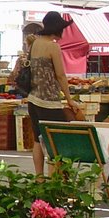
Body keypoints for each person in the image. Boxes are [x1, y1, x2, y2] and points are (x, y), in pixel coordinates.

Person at [27, 11, 80, 177]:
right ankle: (60, 176)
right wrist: (70, 99)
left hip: (33, 98)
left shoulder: (35, 44)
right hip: (49, 101)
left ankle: (39, 177)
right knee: (58, 139)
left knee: (38, 139)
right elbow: (60, 75)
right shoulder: (53, 46)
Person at [7, 21, 43, 91]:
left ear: (28, 44)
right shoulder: (41, 58)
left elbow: (14, 74)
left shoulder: (22, 59)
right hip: (37, 90)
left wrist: (11, 76)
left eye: (26, 44)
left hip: (23, 89)